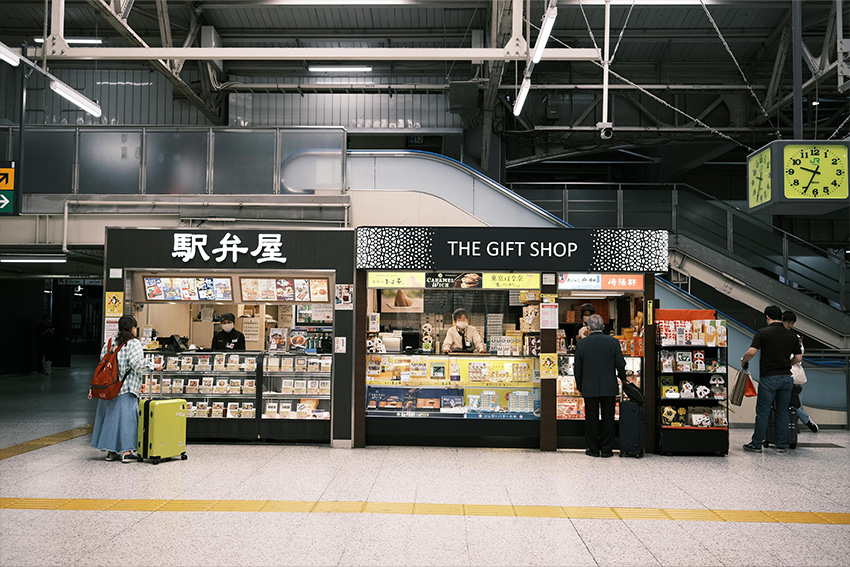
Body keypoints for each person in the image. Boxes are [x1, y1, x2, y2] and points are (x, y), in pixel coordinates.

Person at [740, 305, 802, 453]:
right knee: (782, 412)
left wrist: (744, 361)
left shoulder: (762, 333)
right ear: (781, 317)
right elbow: (798, 358)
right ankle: (781, 445)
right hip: (786, 378)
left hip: (769, 378)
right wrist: (788, 363)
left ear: (767, 317)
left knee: (763, 412)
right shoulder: (792, 336)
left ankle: (756, 444)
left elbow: (751, 352)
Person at [90, 315, 148, 463]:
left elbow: (102, 361)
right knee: (127, 420)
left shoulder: (110, 342)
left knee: (110, 419)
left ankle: (111, 452)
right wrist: (154, 366)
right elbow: (136, 364)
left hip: (109, 387)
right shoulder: (133, 343)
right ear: (133, 328)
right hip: (125, 387)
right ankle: (127, 452)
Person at [574, 314, 626, 457]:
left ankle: (593, 449)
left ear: (589, 327)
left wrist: (580, 386)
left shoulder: (582, 344)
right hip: (609, 385)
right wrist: (623, 377)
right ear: (603, 326)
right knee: (608, 419)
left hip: (589, 386)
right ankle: (607, 449)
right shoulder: (613, 342)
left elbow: (577, 368)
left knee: (591, 419)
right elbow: (620, 364)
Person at [781, 311, 818, 433]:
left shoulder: (796, 337)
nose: (791, 325)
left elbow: (799, 355)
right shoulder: (780, 335)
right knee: (789, 403)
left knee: (797, 403)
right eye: (789, 322)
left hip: (794, 374)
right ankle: (801, 422)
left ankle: (796, 424)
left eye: (792, 323)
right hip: (785, 373)